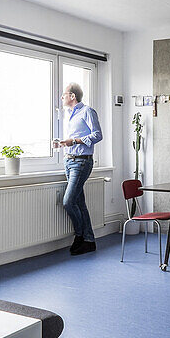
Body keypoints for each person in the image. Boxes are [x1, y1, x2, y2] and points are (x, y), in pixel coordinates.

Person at [54, 83, 102, 255]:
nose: (62, 97)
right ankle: (89, 241)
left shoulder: (87, 111)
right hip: (69, 161)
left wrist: (73, 141)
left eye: (63, 94)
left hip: (82, 162)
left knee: (68, 201)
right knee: (79, 203)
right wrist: (64, 143)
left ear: (72, 96)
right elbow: (74, 139)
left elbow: (97, 135)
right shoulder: (70, 115)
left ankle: (79, 236)